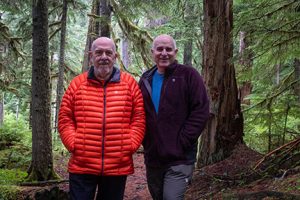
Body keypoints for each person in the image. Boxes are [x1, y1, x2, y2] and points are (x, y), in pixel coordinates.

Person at [58, 37, 145, 200]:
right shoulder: (77, 84)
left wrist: (130, 144)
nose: (103, 56)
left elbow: (138, 119)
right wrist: (74, 143)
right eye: (99, 52)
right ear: (91, 55)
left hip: (117, 165)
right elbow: (65, 118)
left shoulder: (130, 84)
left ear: (115, 56)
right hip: (82, 164)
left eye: (108, 52)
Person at [139, 34, 209, 200]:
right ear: (152, 52)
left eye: (168, 49)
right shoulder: (145, 79)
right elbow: (138, 115)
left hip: (180, 158)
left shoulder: (189, 75)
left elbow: (201, 110)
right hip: (154, 157)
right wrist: (145, 141)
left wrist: (183, 141)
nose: (164, 53)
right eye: (160, 49)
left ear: (175, 52)